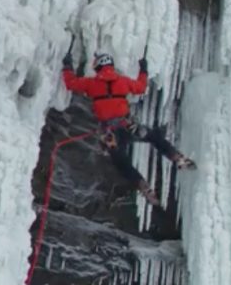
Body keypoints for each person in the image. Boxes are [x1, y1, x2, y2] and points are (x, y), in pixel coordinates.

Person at [61, 51, 195, 207]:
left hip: (109, 132)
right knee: (154, 137)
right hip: (128, 126)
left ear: (98, 66)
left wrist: (67, 66)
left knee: (121, 161)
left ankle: (142, 185)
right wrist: (143, 70)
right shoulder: (122, 81)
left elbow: (71, 83)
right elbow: (141, 87)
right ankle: (177, 158)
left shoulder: (91, 83)